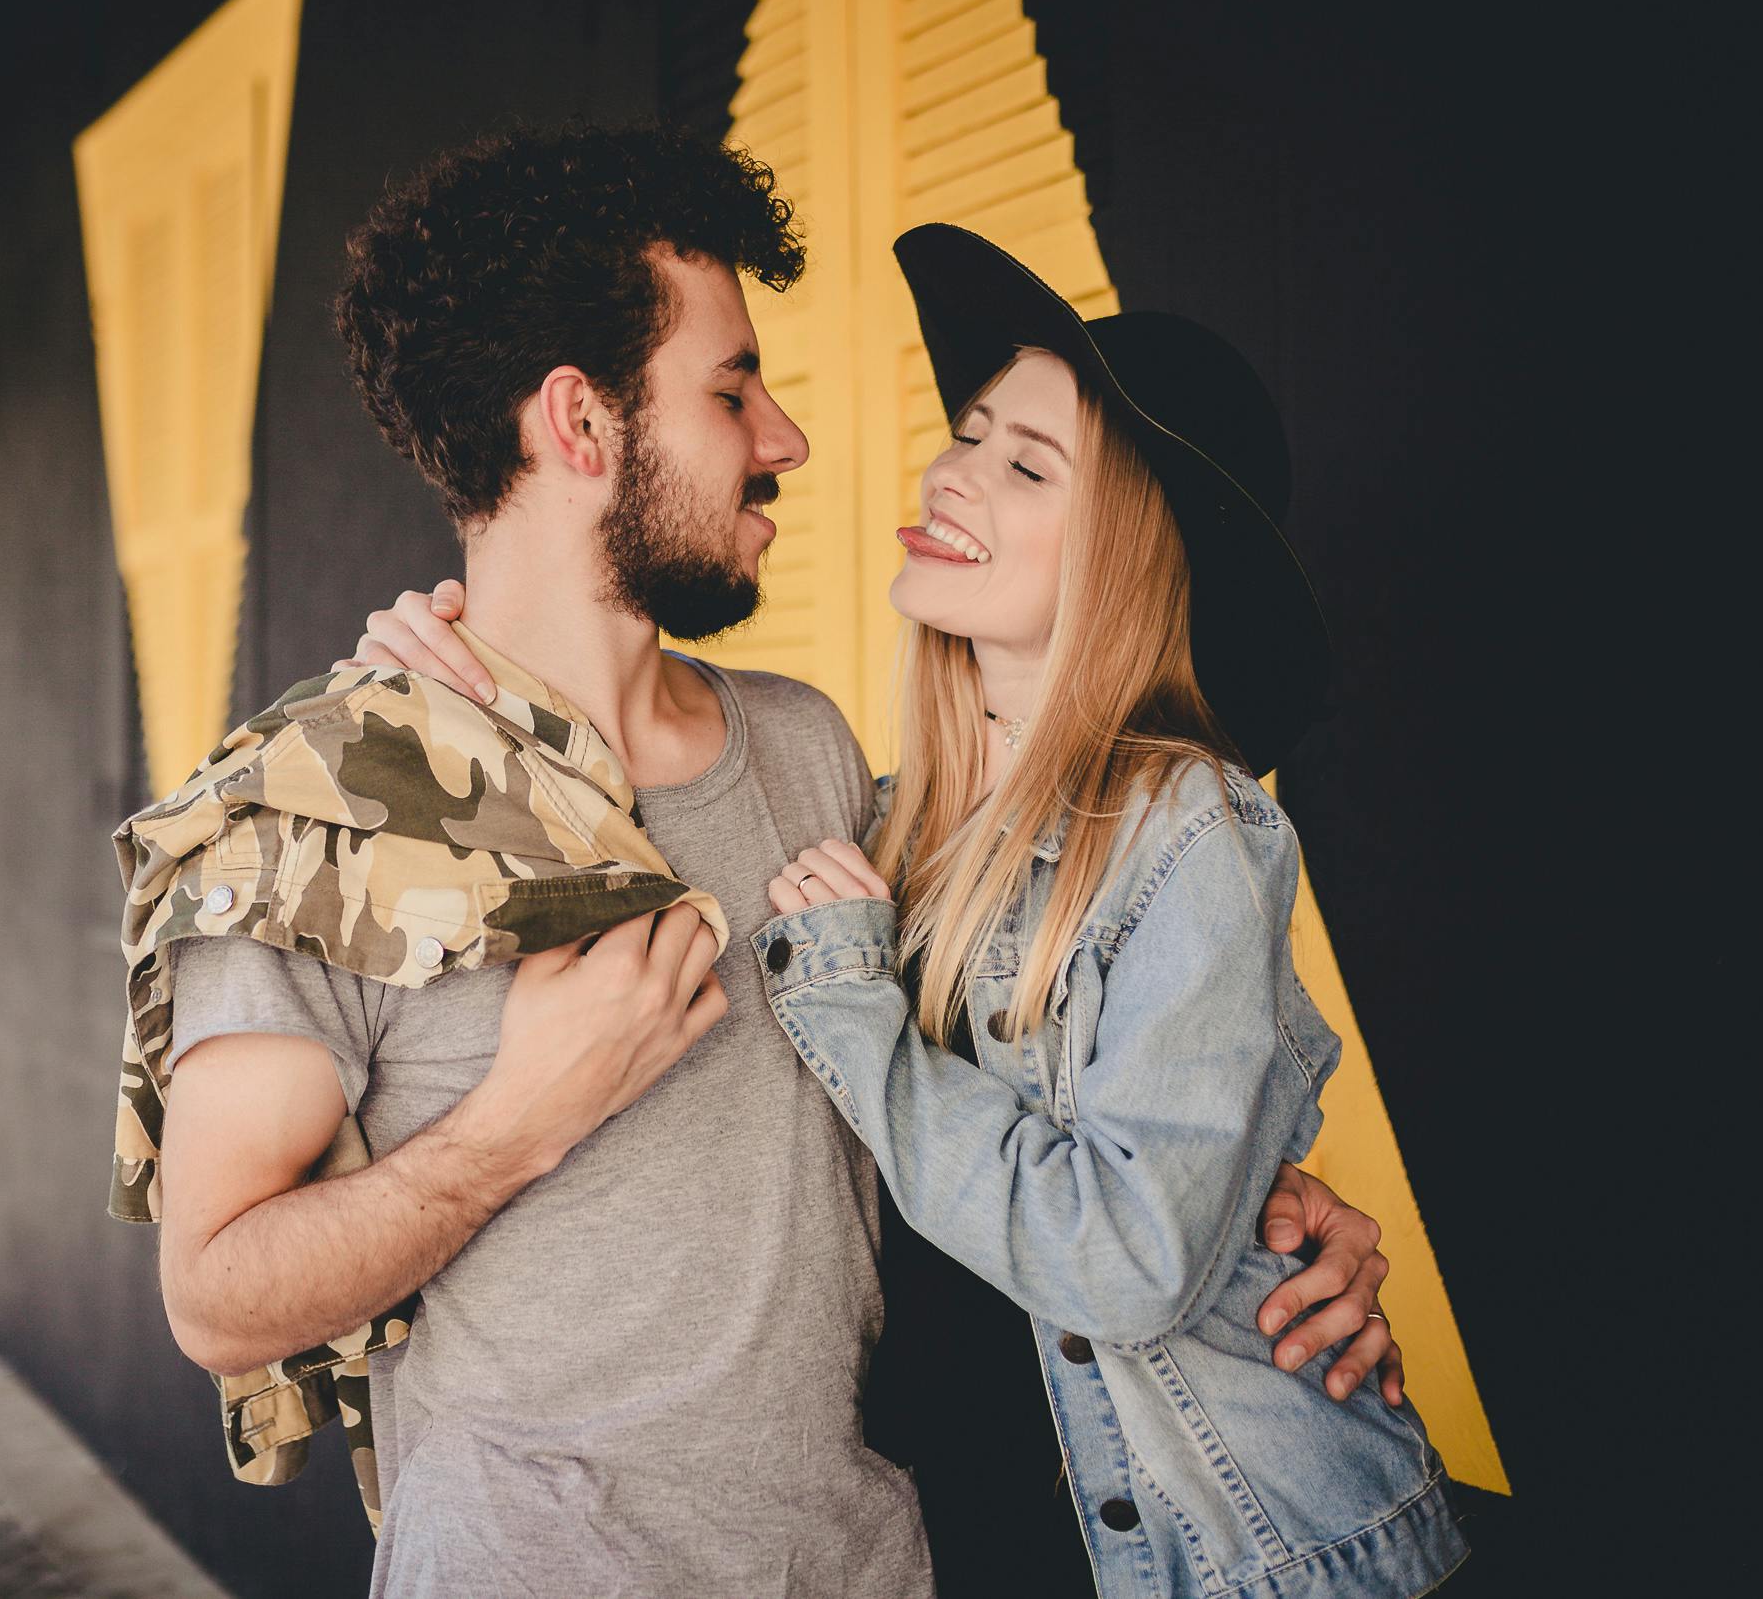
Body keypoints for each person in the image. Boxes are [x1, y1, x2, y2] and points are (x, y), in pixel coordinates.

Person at [125, 128, 1403, 1598]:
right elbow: (219, 1301)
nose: (787, 438)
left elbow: (1018, 1062)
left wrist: (1260, 1214)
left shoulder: (809, 754)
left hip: (872, 1565)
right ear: (581, 424)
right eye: (733, 390)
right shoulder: (318, 811)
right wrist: (517, 1123)